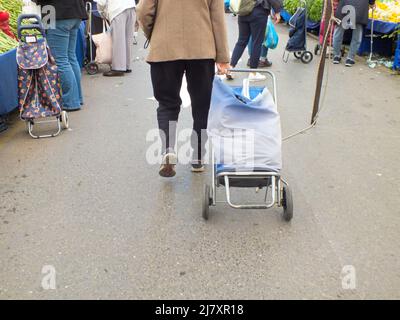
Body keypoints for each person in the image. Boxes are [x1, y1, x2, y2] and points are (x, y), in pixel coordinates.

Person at [137, 0, 230, 178]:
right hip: (202, 49)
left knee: (167, 103)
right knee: (202, 105)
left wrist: (155, 33)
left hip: (165, 48)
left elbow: (143, 11)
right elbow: (217, 18)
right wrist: (223, 57)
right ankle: (197, 158)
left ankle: (168, 149)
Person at [34, 0, 87, 111]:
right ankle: (77, 98)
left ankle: (71, 101)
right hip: (75, 12)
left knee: (60, 60)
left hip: (55, 13)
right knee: (70, 57)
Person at [230, 0, 282, 81]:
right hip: (258, 10)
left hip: (243, 10)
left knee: (241, 41)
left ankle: (230, 68)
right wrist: (277, 11)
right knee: (257, 42)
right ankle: (253, 73)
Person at [95, 0, 136, 77]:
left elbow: (101, 2)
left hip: (117, 9)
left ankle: (118, 68)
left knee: (118, 40)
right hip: (131, 7)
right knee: (127, 38)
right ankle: (126, 66)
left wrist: (101, 12)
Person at [333, 0, 376, 67]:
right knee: (357, 35)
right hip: (360, 8)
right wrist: (372, 3)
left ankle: (336, 56)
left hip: (344, 5)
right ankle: (350, 58)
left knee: (338, 32)